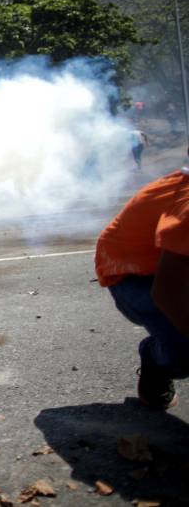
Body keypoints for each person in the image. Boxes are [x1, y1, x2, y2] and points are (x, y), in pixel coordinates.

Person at [95, 159, 189, 409]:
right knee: (184, 351)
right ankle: (155, 360)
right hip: (134, 278)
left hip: (172, 273)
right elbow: (167, 292)